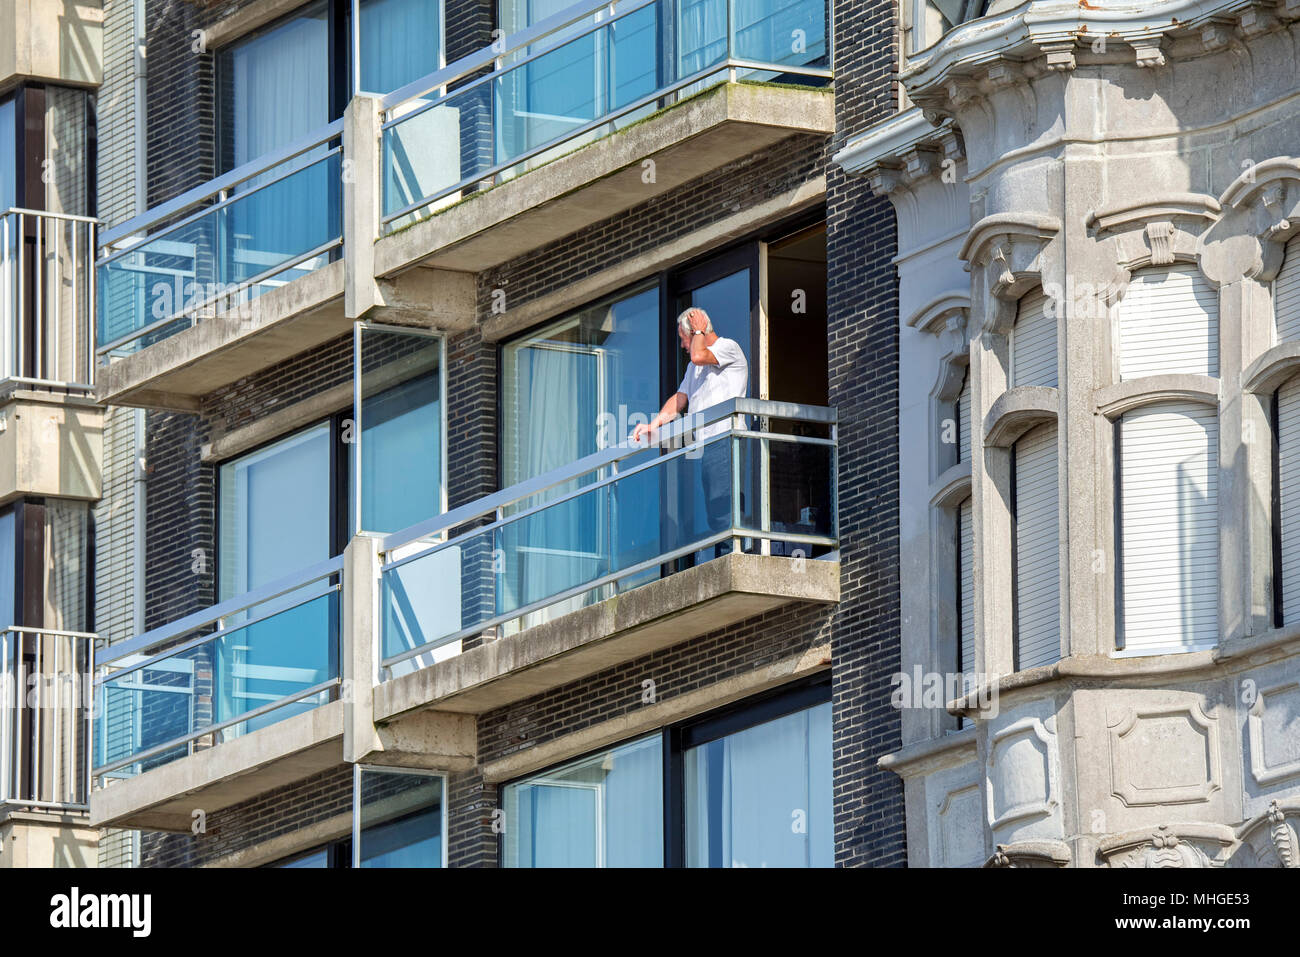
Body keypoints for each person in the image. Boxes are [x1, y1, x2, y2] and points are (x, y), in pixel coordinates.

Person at [631, 307, 749, 557]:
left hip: (726, 437)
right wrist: (654, 425)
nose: (683, 346)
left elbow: (697, 355)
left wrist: (698, 329)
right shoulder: (693, 369)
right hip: (707, 443)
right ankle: (726, 554)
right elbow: (680, 398)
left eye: (683, 338)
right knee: (714, 507)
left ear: (697, 332)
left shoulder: (728, 348)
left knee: (724, 503)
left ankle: (734, 555)